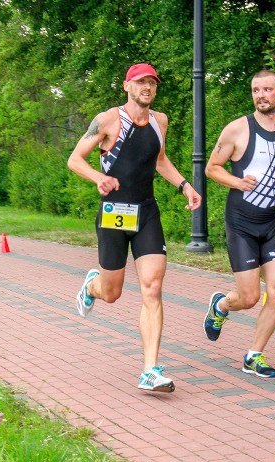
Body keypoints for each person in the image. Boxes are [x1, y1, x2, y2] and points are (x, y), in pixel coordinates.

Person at [67, 63, 201, 392]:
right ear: (127, 85)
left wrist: (185, 185)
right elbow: (75, 159)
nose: (147, 87)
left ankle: (150, 370)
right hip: (114, 212)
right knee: (111, 293)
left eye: (152, 82)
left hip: (146, 211)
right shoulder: (107, 120)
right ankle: (93, 286)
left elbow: (159, 160)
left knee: (152, 289)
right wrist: (99, 177)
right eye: (141, 81)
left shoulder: (160, 121)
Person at [204, 70, 275, 378]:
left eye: (267, 89)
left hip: (273, 222)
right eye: (255, 90)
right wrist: (237, 182)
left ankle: (254, 355)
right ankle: (222, 306)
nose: (261, 95)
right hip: (241, 222)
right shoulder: (238, 129)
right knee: (249, 298)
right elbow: (212, 168)